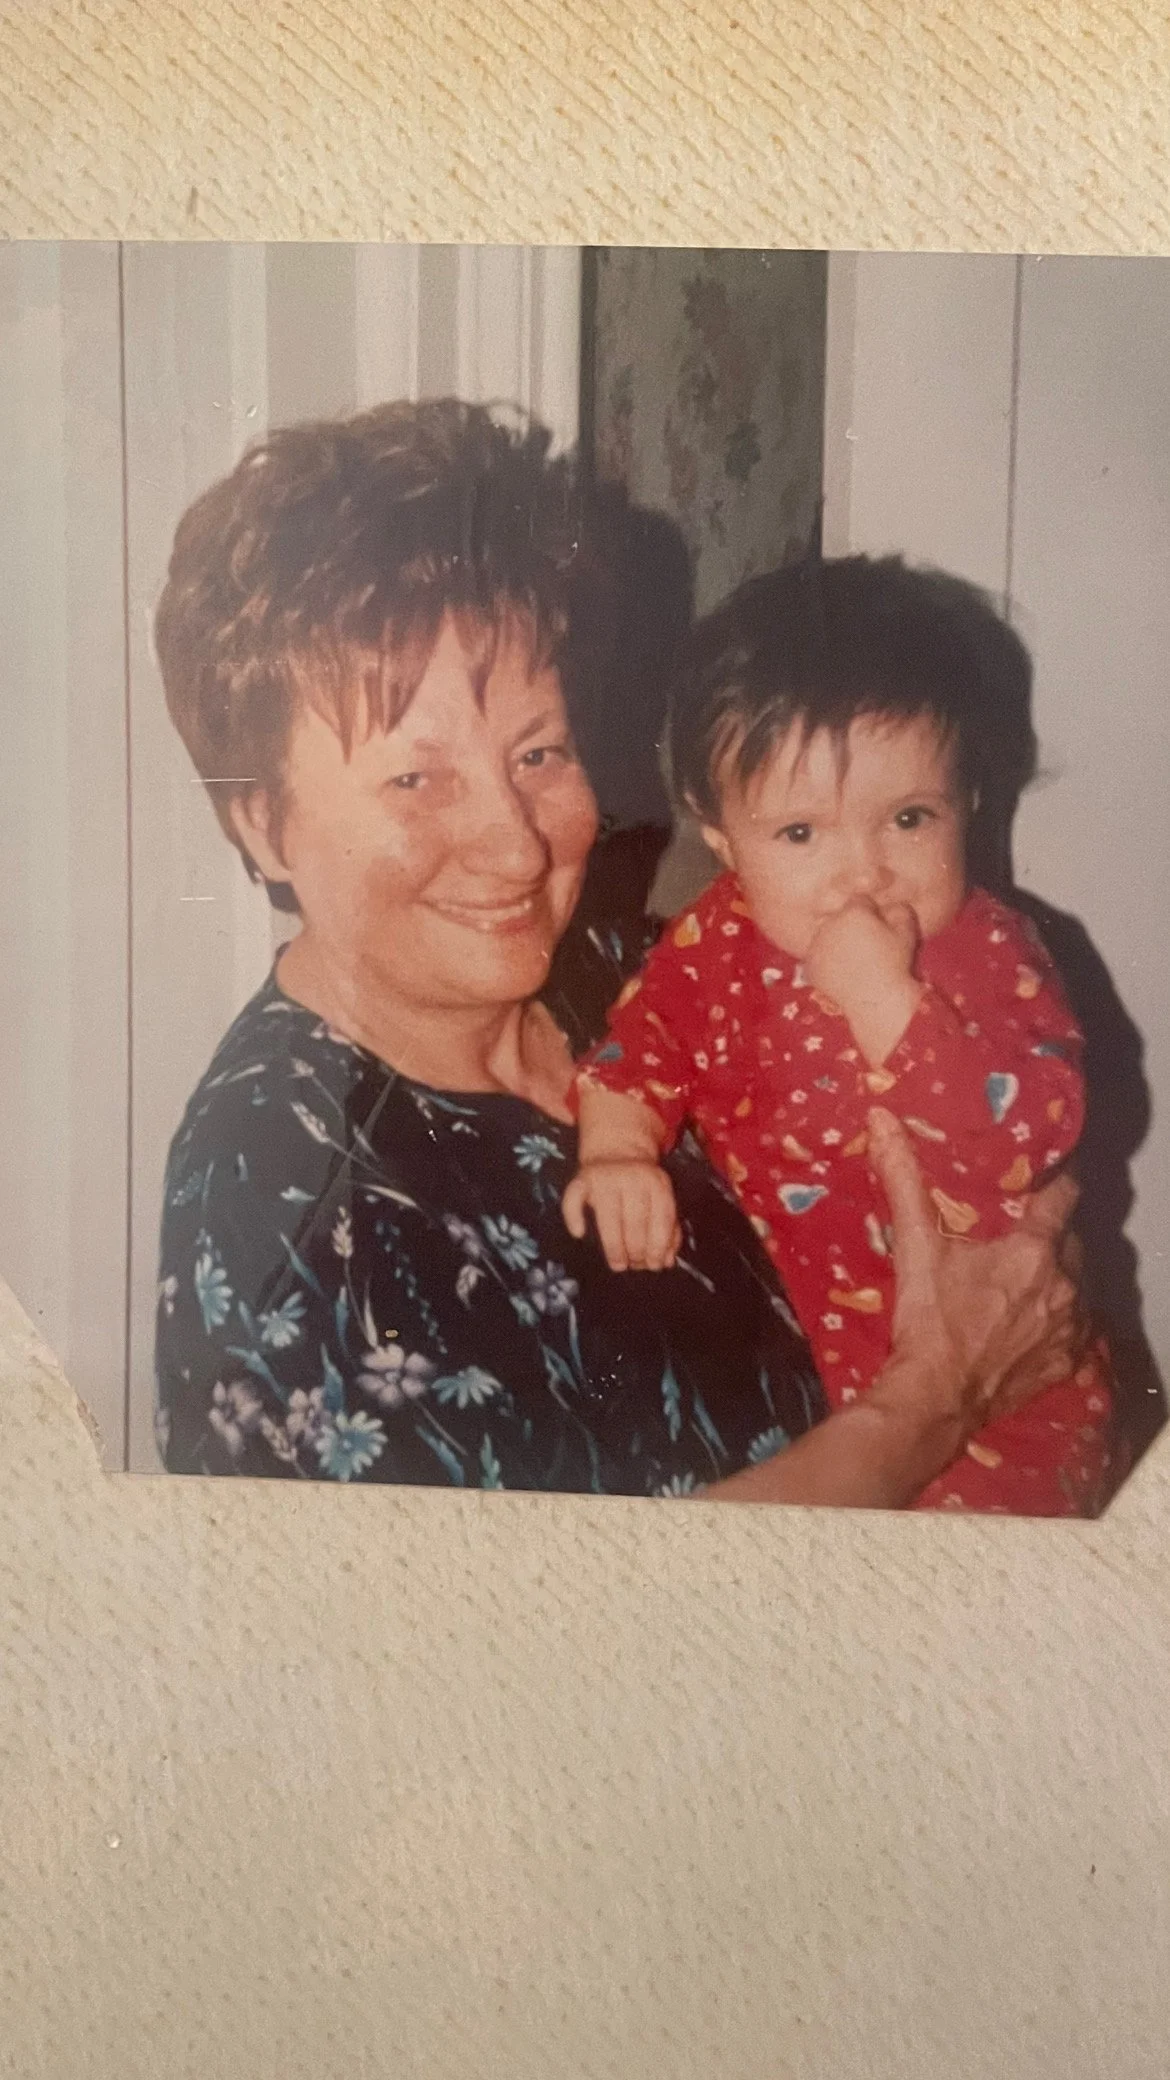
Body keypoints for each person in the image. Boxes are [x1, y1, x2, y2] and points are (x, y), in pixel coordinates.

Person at [152, 399, 1083, 1502]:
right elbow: (511, 1647)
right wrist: (939, 1398)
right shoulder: (279, 1199)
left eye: (539, 750)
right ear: (261, 819)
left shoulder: (618, 964)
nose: (515, 840)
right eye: (415, 777)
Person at [566, 554, 1114, 1514]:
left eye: (907, 818)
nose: (863, 877)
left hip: (1013, 1411)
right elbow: (637, 1048)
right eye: (801, 834)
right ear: (724, 838)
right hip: (823, 1394)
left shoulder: (992, 952)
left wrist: (885, 1005)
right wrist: (617, 1149)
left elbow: (1028, 1138)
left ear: (967, 802)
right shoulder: (715, 941)